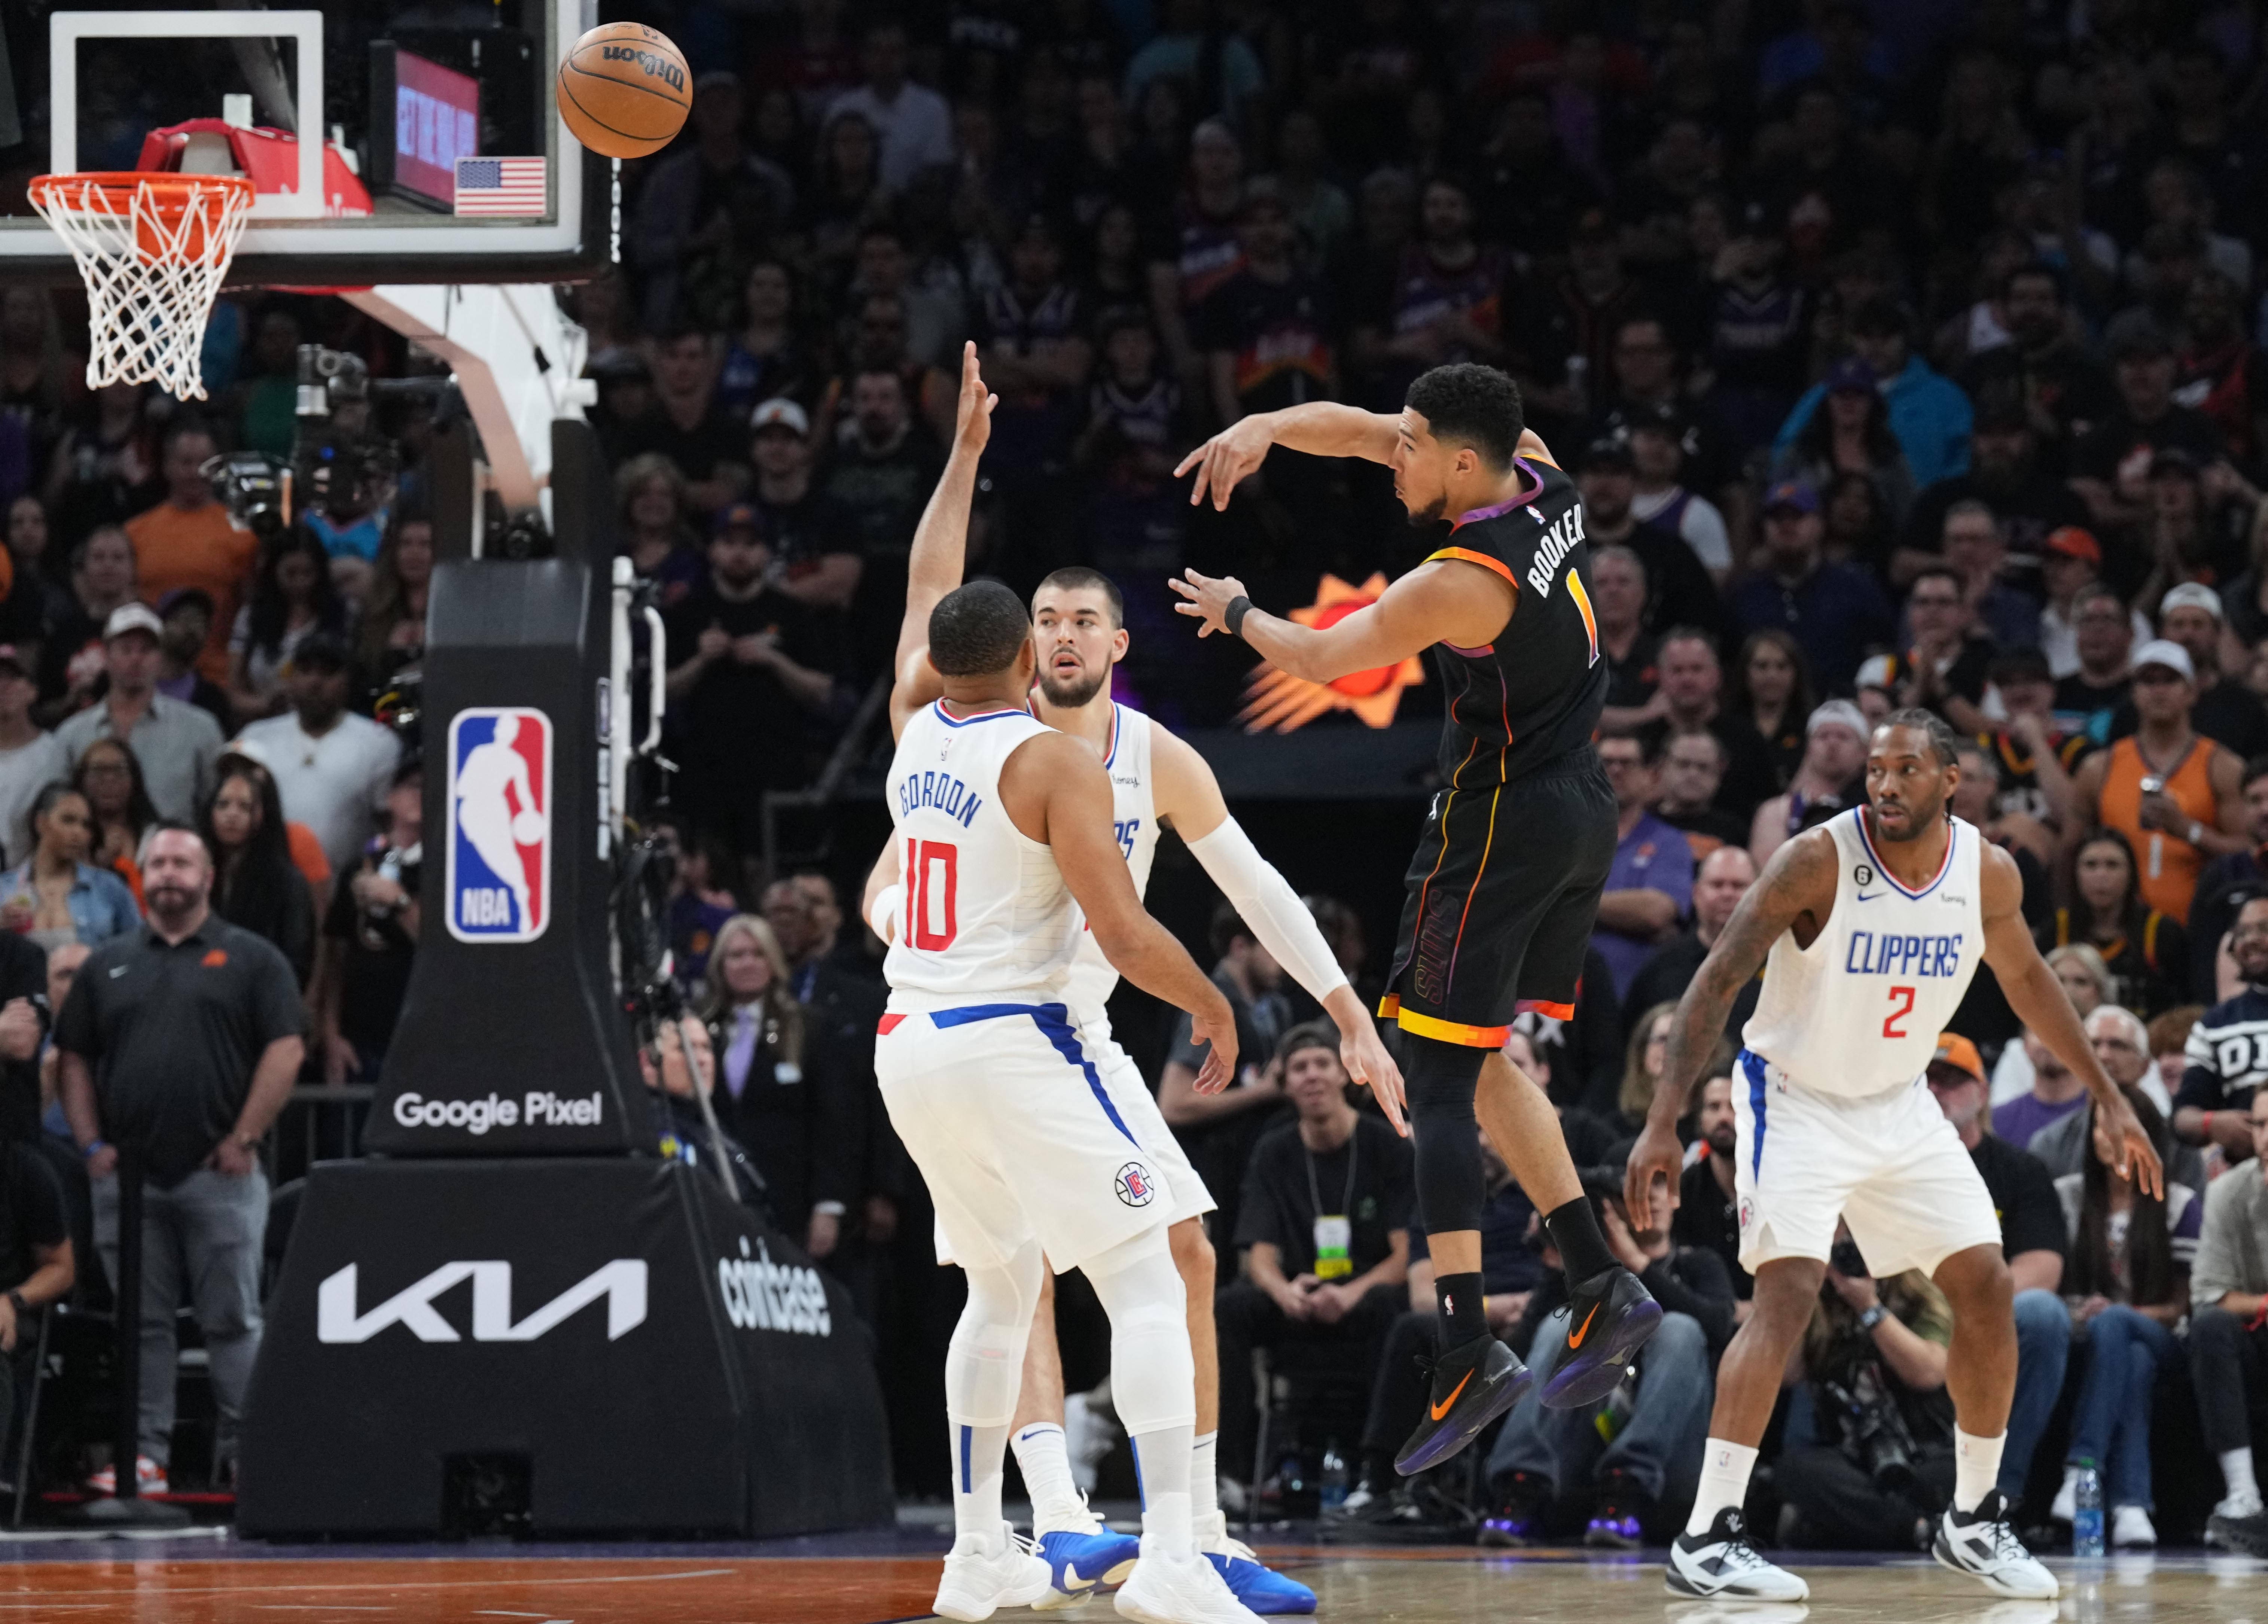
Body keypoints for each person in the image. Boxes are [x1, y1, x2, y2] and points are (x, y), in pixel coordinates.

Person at [872, 360, 1364, 1606]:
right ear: (1025, 643)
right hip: (1023, 1028)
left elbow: (933, 582)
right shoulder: (1050, 764)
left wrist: (966, 454)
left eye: (1087, 619)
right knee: (1143, 1270)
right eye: (1047, 619)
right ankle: (1171, 1558)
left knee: (1007, 1284)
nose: (1066, 633)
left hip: (913, 1037)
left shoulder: (916, 716)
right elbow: (1127, 925)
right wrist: (1210, 1003)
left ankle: (983, 1551)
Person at [1173, 362, 1659, 1477]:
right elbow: (1366, 427)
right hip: (1577, 804)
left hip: (1497, 822)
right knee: (1486, 1069)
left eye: (1408, 450)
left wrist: (1235, 608)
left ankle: (1463, 1343)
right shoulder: (1534, 469)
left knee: (1433, 1078)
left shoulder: (1459, 577)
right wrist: (1265, 425)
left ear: (1456, 463)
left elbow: (1325, 659)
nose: (1389, 458)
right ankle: (1597, 1277)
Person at [1627, 709, 2161, 1600]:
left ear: (1950, 779)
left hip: (1898, 1101)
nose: (1883, 784)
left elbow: (2027, 978)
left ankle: (1974, 1515)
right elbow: (1717, 974)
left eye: (1906, 769)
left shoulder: (1984, 870)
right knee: (1788, 1290)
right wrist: (1663, 1116)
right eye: (1874, 769)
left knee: (1986, 1281)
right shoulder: (1816, 857)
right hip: (1792, 1095)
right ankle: (1706, 1531)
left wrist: (2107, 1095)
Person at [55, 823, 305, 1493]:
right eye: (158, 862)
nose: (169, 873)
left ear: (208, 877)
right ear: (142, 875)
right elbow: (73, 1054)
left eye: (181, 862)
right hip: (128, 1180)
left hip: (220, 1173)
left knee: (232, 1319)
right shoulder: (107, 962)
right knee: (142, 1323)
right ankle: (146, 1457)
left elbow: (286, 1048)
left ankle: (251, 1452)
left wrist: (245, 1134)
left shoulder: (252, 958)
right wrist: (90, 1145)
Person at [1213, 1026, 1413, 1507]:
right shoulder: (1273, 1151)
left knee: (1399, 1309)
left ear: (1346, 1075)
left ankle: (1379, 1474)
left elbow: (1407, 1254)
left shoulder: (1389, 1146)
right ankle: (1228, 1475)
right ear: (1285, 1083)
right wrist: (1285, 1292)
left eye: (1323, 1064)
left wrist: (1349, 1293)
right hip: (1299, 1301)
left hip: (1365, 1299)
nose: (1312, 1076)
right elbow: (1258, 1254)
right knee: (1228, 1307)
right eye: (1299, 1068)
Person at [1483, 1172, 1732, 1548]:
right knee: (1562, 1324)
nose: (1653, 1200)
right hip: (1578, 1461)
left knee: (1678, 1327)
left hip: (1669, 1469)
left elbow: (1719, 1330)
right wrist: (1558, 1265)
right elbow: (1517, 1364)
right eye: (1639, 1191)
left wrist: (1638, 1263)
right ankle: (1520, 1488)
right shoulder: (1584, 1276)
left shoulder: (1699, 1264)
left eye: (1661, 1188)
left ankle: (1627, 1481)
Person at [1924, 1030, 2082, 1518]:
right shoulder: (1885, 1169)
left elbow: (2043, 1268)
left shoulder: (2018, 1169)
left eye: (1952, 1080)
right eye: (1925, 1080)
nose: (1936, 1091)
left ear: (1983, 1091)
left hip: (1985, 1318)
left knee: (2043, 1313)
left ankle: (1997, 1495)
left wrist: (1962, 1306)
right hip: (1905, 1319)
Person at [2048, 1088, 2196, 1549]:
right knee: (2131, 1360)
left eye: (2121, 1122)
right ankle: (2131, 1504)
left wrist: (2120, 1314)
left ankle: (2081, 1471)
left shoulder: (2180, 1203)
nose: (2108, 1134)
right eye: (2099, 1122)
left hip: (2166, 1338)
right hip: (2088, 1341)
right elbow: (2055, 1289)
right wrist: (2085, 1310)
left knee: (2124, 1333)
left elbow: (2184, 1307)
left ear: (2148, 1134)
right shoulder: (2068, 1198)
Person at [698, 913, 855, 1256]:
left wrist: (828, 1206)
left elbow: (834, 1123)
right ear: (720, 964)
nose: (747, 963)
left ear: (774, 962)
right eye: (736, 955)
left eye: (758, 953)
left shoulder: (808, 1027)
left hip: (790, 1201)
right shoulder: (698, 1028)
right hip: (716, 1194)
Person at [2072, 639, 2247, 924]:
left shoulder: (2222, 766)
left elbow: (2249, 853)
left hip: (2200, 924)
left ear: (2191, 691)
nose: (2158, 690)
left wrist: (2189, 831)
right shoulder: (2099, 767)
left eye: (2170, 680)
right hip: (2122, 932)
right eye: (2148, 681)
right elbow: (2071, 849)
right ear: (2134, 692)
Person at [235, 633, 402, 879]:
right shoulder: (257, 737)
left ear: (348, 680)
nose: (315, 682)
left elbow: (390, 827)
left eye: (328, 672)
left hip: (345, 892)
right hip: (264, 888)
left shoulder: (379, 742)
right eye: (305, 671)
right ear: (291, 679)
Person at [52, 604, 222, 823]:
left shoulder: (201, 728)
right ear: (107, 656)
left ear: (161, 657)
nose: (136, 658)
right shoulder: (72, 734)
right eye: (126, 649)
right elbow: (54, 806)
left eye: (146, 649)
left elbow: (217, 808)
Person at [2188, 1090, 2268, 1554]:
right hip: (2257, 1338)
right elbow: (2209, 1294)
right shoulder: (2227, 1191)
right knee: (2211, 1327)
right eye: (2259, 1124)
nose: (2267, 1136)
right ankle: (2243, 1495)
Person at [1726, 479, 1896, 696]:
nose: (1786, 525)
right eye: (1777, 518)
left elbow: (1883, 657)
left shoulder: (1856, 588)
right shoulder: (1744, 595)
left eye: (1797, 517)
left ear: (1819, 525)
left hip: (1842, 717)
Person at [121, 420, 256, 685]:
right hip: (149, 676)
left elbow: (250, 612)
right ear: (167, 467)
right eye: (185, 462)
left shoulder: (244, 535)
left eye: (205, 462)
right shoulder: (135, 533)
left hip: (218, 678)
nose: (195, 472)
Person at [313, 759, 421, 1088]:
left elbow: (444, 949)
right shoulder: (359, 866)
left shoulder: (452, 868)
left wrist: (398, 900)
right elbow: (336, 956)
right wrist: (331, 1034)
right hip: (358, 1038)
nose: (423, 795)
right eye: (414, 786)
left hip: (419, 1039)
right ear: (391, 797)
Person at [1592, 733, 1695, 1004]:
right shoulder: (1566, 836)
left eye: (1627, 763)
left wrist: (1571, 901)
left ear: (1650, 774)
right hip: (1568, 999)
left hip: (1635, 996)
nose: (1616, 770)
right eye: (1606, 762)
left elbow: (1656, 912)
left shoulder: (1669, 842)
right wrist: (1625, 913)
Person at [2045, 830, 2190, 1018]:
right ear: (2075, 874)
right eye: (2091, 865)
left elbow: (2185, 1006)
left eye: (2112, 865)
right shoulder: (2057, 931)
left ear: (2132, 874)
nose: (2101, 875)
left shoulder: (2162, 933)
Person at [2175, 892, 2268, 1161]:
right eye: (2241, 933)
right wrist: (2213, 1123)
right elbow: (2182, 1117)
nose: (2250, 940)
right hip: (2246, 1176)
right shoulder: (2215, 1024)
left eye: (2264, 929)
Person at [1625, 847, 1759, 1032]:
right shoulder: (1661, 969)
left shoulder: (1781, 966)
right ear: (1696, 893)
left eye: (1739, 886)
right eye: (1717, 885)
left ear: (1760, 894)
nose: (1727, 894)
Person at [0, 783, 139, 954]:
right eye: (68, 820)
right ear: (41, 823)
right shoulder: (4, 889)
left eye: (86, 825)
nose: (78, 832)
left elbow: (138, 953)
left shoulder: (109, 888)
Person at [226, 528, 347, 725]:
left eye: (308, 573)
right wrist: (265, 705)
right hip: (265, 725)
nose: (300, 582)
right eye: (291, 574)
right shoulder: (251, 617)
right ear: (274, 571)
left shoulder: (342, 615)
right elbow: (234, 692)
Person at [1749, 701, 1869, 868]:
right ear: (1808, 748)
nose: (1832, 744)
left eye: (1843, 737)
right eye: (1823, 736)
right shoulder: (1778, 812)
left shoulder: (1873, 812)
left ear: (1864, 752)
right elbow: (1769, 876)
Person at [1671, 1069, 1752, 1306]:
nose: (1725, 1117)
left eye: (1735, 1106)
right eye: (1714, 1107)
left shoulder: (1777, 1185)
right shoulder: (1684, 1189)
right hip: (1708, 1316)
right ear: (1700, 1118)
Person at [0, 645, 66, 866]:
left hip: (35, 882)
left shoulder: (56, 753)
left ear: (33, 691)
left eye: (14, 678)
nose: (3, 686)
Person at [70, 737, 156, 901]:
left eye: (119, 770)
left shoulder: (155, 837)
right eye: (98, 771)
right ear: (82, 779)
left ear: (134, 779)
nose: (109, 779)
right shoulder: (68, 836)